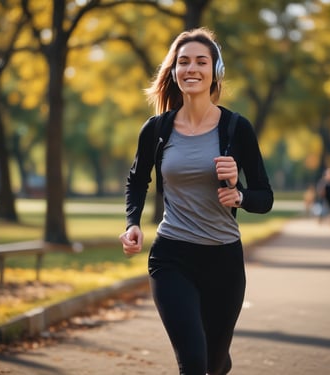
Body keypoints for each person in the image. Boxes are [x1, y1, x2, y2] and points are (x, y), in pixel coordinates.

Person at [119, 27, 273, 375]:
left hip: (224, 260)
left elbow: (265, 196)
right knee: (192, 362)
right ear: (174, 71)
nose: (192, 68)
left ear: (214, 72)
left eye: (201, 61)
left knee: (214, 364)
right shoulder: (157, 130)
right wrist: (132, 223)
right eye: (183, 61)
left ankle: (218, 361)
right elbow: (137, 179)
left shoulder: (236, 128)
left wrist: (240, 194)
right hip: (172, 256)